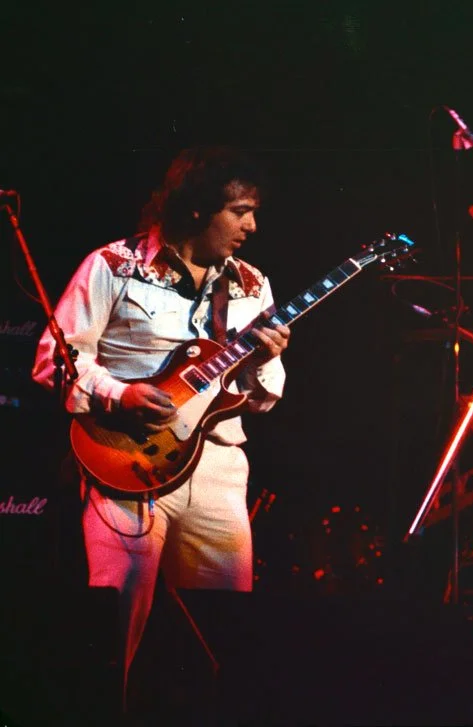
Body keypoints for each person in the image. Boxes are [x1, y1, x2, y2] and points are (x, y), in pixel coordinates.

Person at [30, 147, 290, 705]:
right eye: (240, 211)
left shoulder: (252, 284)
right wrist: (120, 394)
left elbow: (263, 399)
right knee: (115, 626)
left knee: (225, 632)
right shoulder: (113, 265)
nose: (252, 226)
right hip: (126, 464)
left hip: (218, 468)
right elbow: (55, 360)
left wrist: (265, 359)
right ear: (197, 208)